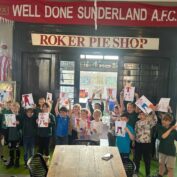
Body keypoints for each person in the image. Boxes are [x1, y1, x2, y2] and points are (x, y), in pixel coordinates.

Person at [134, 109, 157, 177]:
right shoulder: (137, 122)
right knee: (137, 159)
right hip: (138, 143)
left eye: (143, 114)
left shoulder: (149, 122)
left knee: (147, 159)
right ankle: (136, 171)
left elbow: (155, 120)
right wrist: (134, 141)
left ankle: (148, 173)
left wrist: (153, 111)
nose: (142, 115)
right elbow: (136, 132)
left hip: (147, 144)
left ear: (146, 115)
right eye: (141, 114)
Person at [5, 102, 21, 168]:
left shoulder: (20, 116)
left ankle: (17, 162)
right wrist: (5, 123)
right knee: (11, 149)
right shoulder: (9, 116)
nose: (14, 109)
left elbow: (22, 125)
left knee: (17, 149)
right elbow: (6, 127)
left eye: (16, 107)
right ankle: (11, 162)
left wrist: (19, 123)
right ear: (11, 109)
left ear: (18, 109)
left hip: (17, 136)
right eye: (13, 108)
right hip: (10, 136)